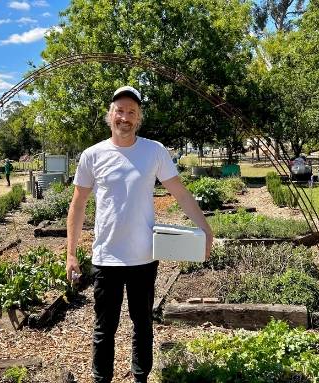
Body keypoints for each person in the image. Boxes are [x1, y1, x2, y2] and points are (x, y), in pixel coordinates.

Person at [66, 85, 213, 383]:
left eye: (131, 112)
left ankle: (140, 377)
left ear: (139, 118)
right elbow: (78, 202)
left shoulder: (154, 151)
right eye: (119, 111)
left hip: (144, 257)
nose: (125, 117)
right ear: (110, 115)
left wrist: (205, 230)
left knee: (142, 324)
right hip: (106, 257)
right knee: (104, 328)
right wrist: (71, 253)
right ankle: (100, 379)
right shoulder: (92, 156)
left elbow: (180, 194)